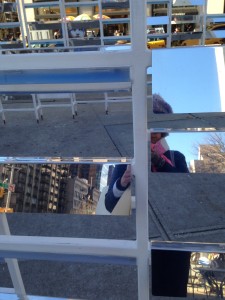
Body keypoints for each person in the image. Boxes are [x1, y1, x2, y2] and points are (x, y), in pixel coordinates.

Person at [105, 93, 191, 297]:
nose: (155, 133)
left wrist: (159, 162)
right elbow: (109, 203)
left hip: (172, 241)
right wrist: (122, 182)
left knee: (171, 290)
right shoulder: (126, 158)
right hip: (134, 236)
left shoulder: (177, 157)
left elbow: (186, 194)